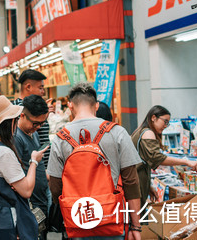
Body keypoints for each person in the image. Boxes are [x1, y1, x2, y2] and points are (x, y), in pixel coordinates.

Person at [48, 83, 143, 240]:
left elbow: (55, 187)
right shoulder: (117, 132)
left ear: (70, 106)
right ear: (97, 105)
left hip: (77, 218)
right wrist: (136, 226)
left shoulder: (60, 138)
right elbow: (131, 182)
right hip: (111, 218)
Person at [0, 95, 43, 240]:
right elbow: (26, 190)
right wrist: (34, 161)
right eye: (15, 119)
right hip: (9, 220)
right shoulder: (3, 152)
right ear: (8, 122)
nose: (17, 122)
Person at [131, 105, 197, 204]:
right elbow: (158, 158)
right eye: (165, 121)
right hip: (137, 183)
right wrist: (186, 162)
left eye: (167, 123)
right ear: (153, 118)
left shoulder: (140, 131)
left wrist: (149, 186)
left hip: (137, 181)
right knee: (137, 216)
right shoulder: (148, 133)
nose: (165, 126)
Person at [13, 95, 50, 239]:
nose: (38, 127)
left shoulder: (32, 133)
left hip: (40, 199)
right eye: (35, 123)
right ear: (22, 115)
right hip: (30, 204)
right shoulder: (17, 138)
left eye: (42, 123)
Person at [14, 69, 54, 171]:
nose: (43, 91)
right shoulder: (17, 109)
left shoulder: (39, 107)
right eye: (40, 88)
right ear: (28, 87)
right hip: (31, 166)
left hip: (42, 165)